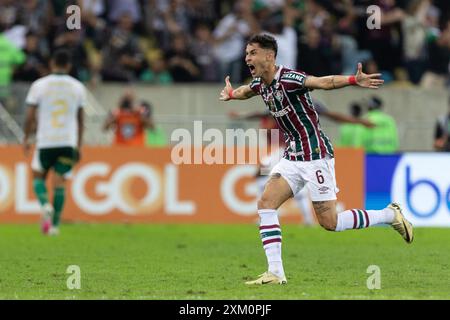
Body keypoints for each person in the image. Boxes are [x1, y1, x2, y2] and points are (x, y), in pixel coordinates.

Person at [219, 34, 413, 285]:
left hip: (316, 155)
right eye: (247, 53)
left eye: (253, 53)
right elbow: (247, 91)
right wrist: (233, 94)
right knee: (266, 203)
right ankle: (275, 272)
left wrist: (354, 79)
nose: (247, 58)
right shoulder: (260, 84)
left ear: (269, 56)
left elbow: (324, 82)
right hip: (292, 156)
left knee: (330, 222)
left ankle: (389, 215)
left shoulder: (290, 79)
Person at [23, 49, 86, 236]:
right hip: (68, 142)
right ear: (68, 66)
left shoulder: (39, 85)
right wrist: (80, 145)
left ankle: (45, 205)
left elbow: (29, 116)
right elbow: (81, 120)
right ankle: (55, 226)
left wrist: (26, 138)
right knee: (60, 183)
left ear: (52, 63)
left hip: (46, 141)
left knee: (37, 177)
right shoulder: (77, 87)